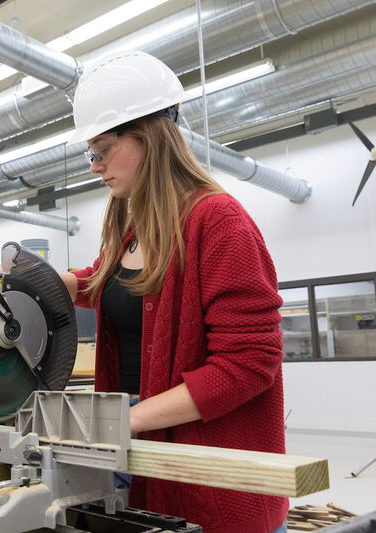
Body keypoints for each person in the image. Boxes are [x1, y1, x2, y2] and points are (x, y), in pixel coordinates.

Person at [59, 50, 288, 533]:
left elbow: (249, 363)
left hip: (207, 483)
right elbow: (107, 282)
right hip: (135, 463)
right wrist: (41, 284)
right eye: (91, 154)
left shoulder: (219, 222)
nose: (95, 166)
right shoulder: (138, 227)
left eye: (102, 150)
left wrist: (125, 420)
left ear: (147, 136)